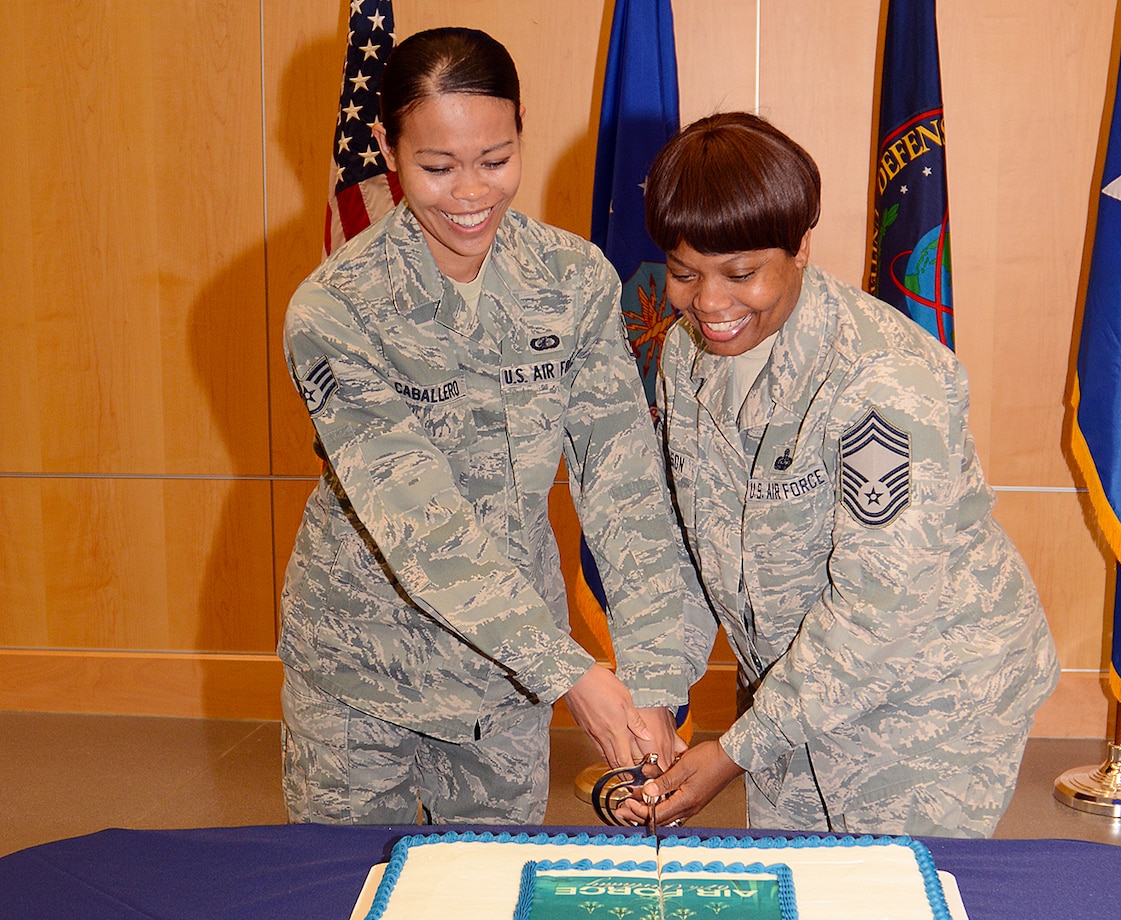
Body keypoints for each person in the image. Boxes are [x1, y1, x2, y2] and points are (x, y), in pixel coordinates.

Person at [278, 27, 691, 826]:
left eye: (496, 160)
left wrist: (653, 684)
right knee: (346, 906)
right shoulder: (335, 310)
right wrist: (572, 675)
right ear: (386, 148)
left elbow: (625, 487)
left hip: (505, 684)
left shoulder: (572, 281)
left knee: (488, 904)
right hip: (363, 679)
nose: (471, 194)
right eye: (437, 167)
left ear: (521, 126)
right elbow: (421, 527)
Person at [631, 112, 1059, 838]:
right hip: (796, 693)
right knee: (800, 904)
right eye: (683, 272)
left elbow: (880, 610)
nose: (709, 303)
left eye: (741, 274)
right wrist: (656, 695)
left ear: (800, 247)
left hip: (930, 703)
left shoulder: (884, 381)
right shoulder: (686, 357)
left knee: (893, 918)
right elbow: (688, 547)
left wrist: (736, 752)